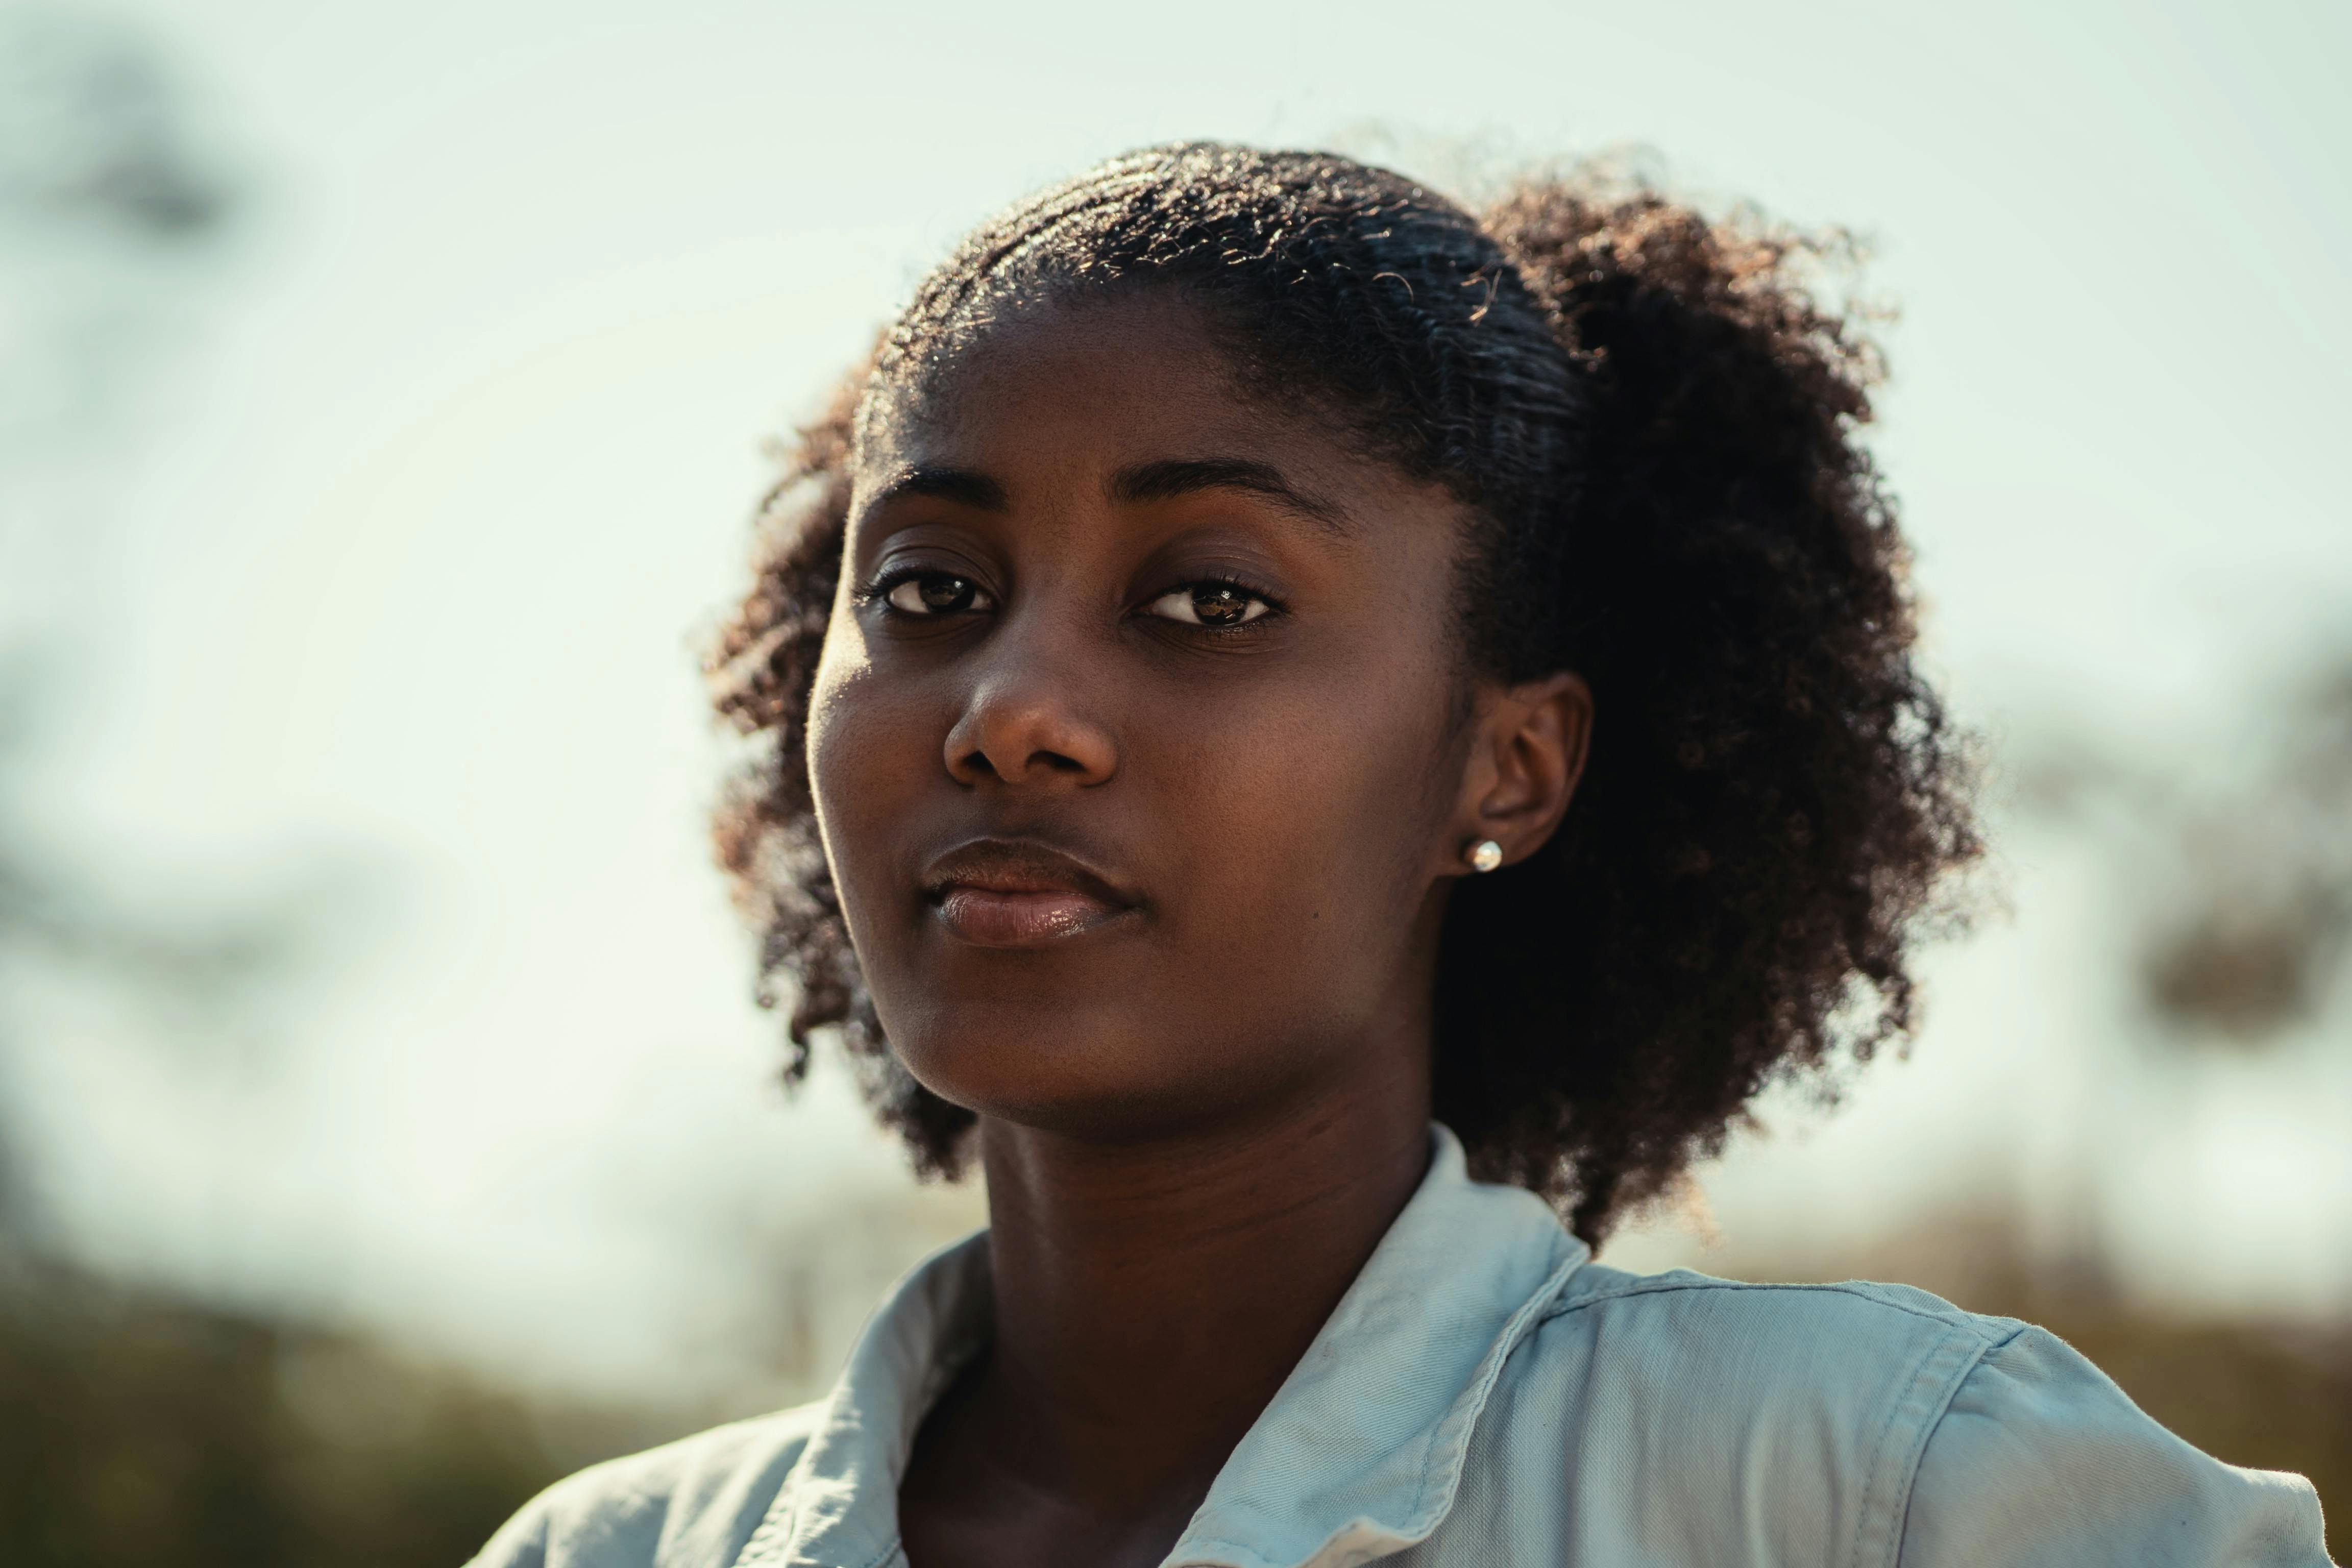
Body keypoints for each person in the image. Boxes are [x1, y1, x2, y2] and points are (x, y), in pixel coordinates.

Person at [469, 144, 2333, 1567]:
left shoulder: (1883, 1493)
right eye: (934, 591)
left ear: (1506, 766)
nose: (1010, 709)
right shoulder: (603, 1556)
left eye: (1206, 597)